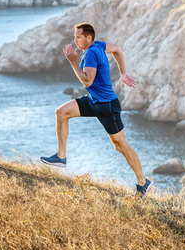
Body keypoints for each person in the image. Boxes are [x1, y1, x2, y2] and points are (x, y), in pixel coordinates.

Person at [40, 22, 152, 198]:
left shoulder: (92, 52)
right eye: (75, 36)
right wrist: (123, 72)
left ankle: (143, 182)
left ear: (88, 38)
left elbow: (87, 81)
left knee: (120, 145)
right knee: (61, 112)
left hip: (107, 106)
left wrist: (73, 62)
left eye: (78, 37)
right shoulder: (99, 45)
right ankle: (61, 156)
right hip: (93, 101)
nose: (75, 40)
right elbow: (118, 49)